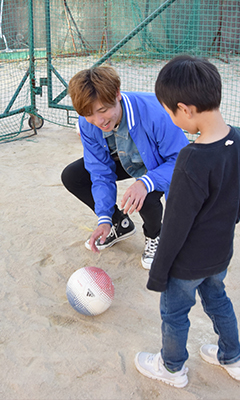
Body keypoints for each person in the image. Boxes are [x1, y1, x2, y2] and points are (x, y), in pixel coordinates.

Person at [134, 55, 240, 388]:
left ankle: (171, 368)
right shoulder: (238, 140)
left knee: (174, 314)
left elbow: (175, 225)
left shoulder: (190, 159)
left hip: (186, 264)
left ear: (185, 109)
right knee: (218, 300)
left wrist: (159, 272)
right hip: (219, 255)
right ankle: (234, 358)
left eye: (170, 113)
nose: (172, 120)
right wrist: (224, 226)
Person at [61, 66, 189, 269]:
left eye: (103, 110)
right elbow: (99, 171)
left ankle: (156, 236)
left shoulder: (156, 112)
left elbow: (182, 160)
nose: (99, 121)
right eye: (89, 114)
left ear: (117, 95)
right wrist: (104, 217)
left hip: (156, 162)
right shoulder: (88, 123)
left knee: (143, 196)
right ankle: (118, 224)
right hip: (122, 158)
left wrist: (147, 182)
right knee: (72, 176)